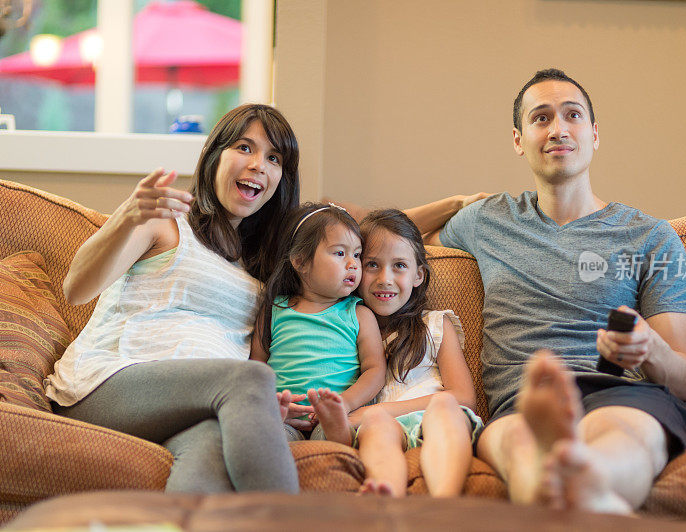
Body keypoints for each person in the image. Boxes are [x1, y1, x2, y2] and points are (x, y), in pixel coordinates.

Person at [425, 68, 686, 513]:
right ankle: (580, 485)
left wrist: (650, 348)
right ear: (518, 140)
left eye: (572, 115)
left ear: (594, 134)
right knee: (515, 443)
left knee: (625, 435)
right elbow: (380, 239)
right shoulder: (486, 221)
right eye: (541, 118)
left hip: (621, 389)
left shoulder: (650, 236)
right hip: (523, 400)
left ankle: (580, 476)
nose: (558, 129)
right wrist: (455, 203)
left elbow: (684, 380)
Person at [44, 103, 302, 493]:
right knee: (250, 379)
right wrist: (127, 217)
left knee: (211, 446)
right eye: (244, 148)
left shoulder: (263, 264)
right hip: (111, 383)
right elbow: (76, 289)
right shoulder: (165, 219)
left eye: (274, 157)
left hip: (197, 401)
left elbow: (355, 231)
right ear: (215, 155)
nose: (258, 165)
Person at [307, 209, 482, 497]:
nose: (385, 279)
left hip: (436, 417)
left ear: (418, 275)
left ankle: (446, 499)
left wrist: (380, 410)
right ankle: (386, 494)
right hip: (382, 428)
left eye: (399, 265)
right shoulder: (351, 332)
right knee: (377, 426)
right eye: (372, 264)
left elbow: (464, 397)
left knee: (442, 408)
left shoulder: (435, 324)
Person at [250, 202, 386, 440]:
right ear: (300, 261)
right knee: (268, 438)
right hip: (283, 418)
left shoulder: (359, 314)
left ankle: (335, 446)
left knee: (332, 435)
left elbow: (375, 370)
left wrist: (344, 404)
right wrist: (270, 405)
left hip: (335, 417)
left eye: (356, 254)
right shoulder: (275, 309)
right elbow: (256, 367)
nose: (353, 264)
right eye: (340, 253)